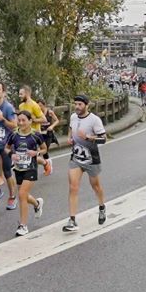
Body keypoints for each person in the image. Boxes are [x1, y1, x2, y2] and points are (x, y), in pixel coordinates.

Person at [62, 95, 107, 232]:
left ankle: (102, 207)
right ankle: (72, 220)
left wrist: (87, 137)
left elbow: (103, 139)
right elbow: (71, 129)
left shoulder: (94, 120)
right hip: (76, 157)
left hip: (91, 158)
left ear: (87, 105)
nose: (77, 107)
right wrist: (69, 138)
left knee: (96, 186)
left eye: (80, 104)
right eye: (75, 104)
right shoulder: (73, 117)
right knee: (73, 187)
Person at [5, 110, 50, 236]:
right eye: (19, 120)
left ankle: (23, 225)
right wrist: (12, 154)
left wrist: (36, 153)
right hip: (19, 168)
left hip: (31, 168)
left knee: (22, 194)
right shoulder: (14, 135)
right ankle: (37, 203)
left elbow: (44, 148)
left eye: (24, 120)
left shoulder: (35, 135)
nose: (21, 122)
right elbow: (6, 148)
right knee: (23, 195)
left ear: (30, 121)